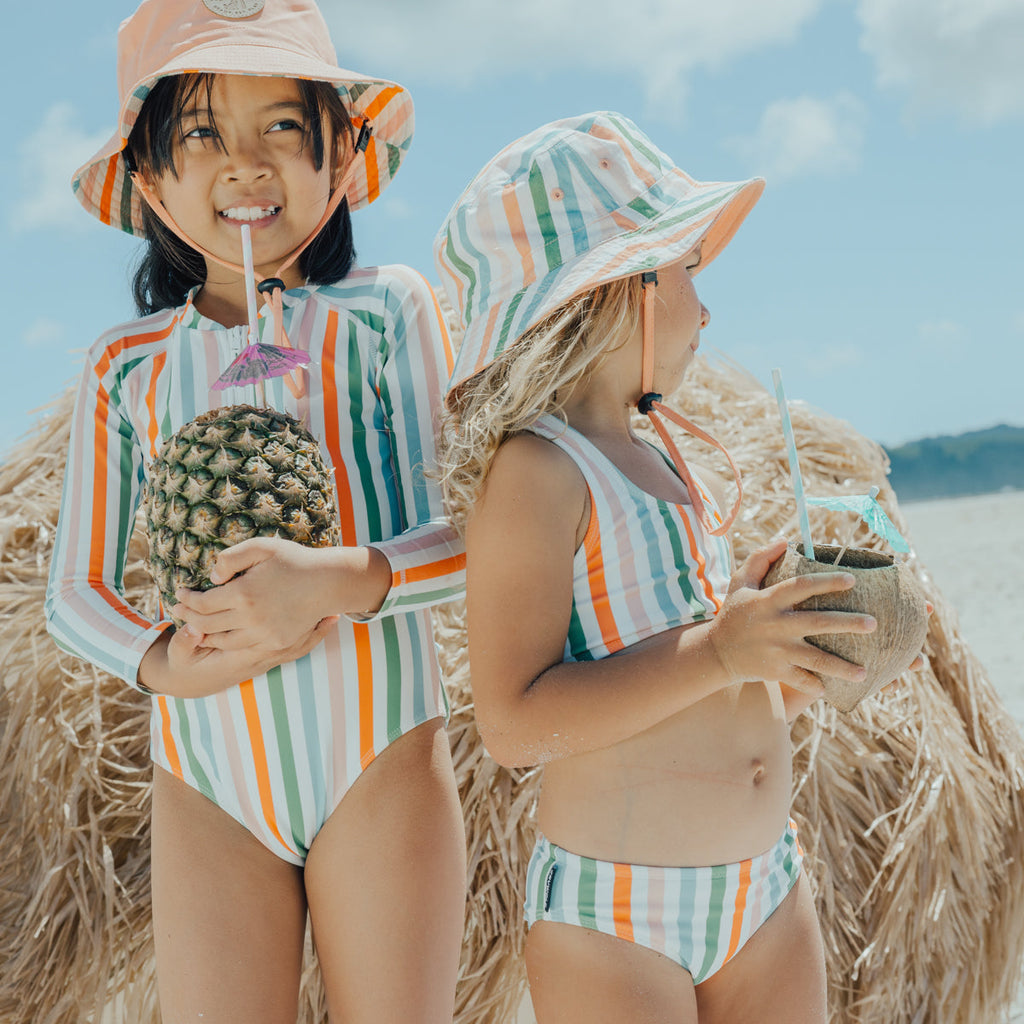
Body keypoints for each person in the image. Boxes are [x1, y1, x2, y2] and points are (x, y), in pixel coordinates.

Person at [435, 112, 924, 1023]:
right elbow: (514, 723)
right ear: (617, 289)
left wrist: (779, 660)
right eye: (687, 270)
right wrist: (722, 654)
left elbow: (688, 672)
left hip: (766, 890)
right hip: (617, 918)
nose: (706, 307)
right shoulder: (539, 470)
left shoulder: (665, 457)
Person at [44, 2, 466, 1021]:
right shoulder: (125, 365)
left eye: (283, 124)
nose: (245, 163)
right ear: (147, 179)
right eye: (201, 133)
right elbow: (76, 591)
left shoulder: (386, 311)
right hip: (206, 783)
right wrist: (163, 662)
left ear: (341, 152)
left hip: (381, 756)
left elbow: (478, 536)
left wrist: (338, 581)